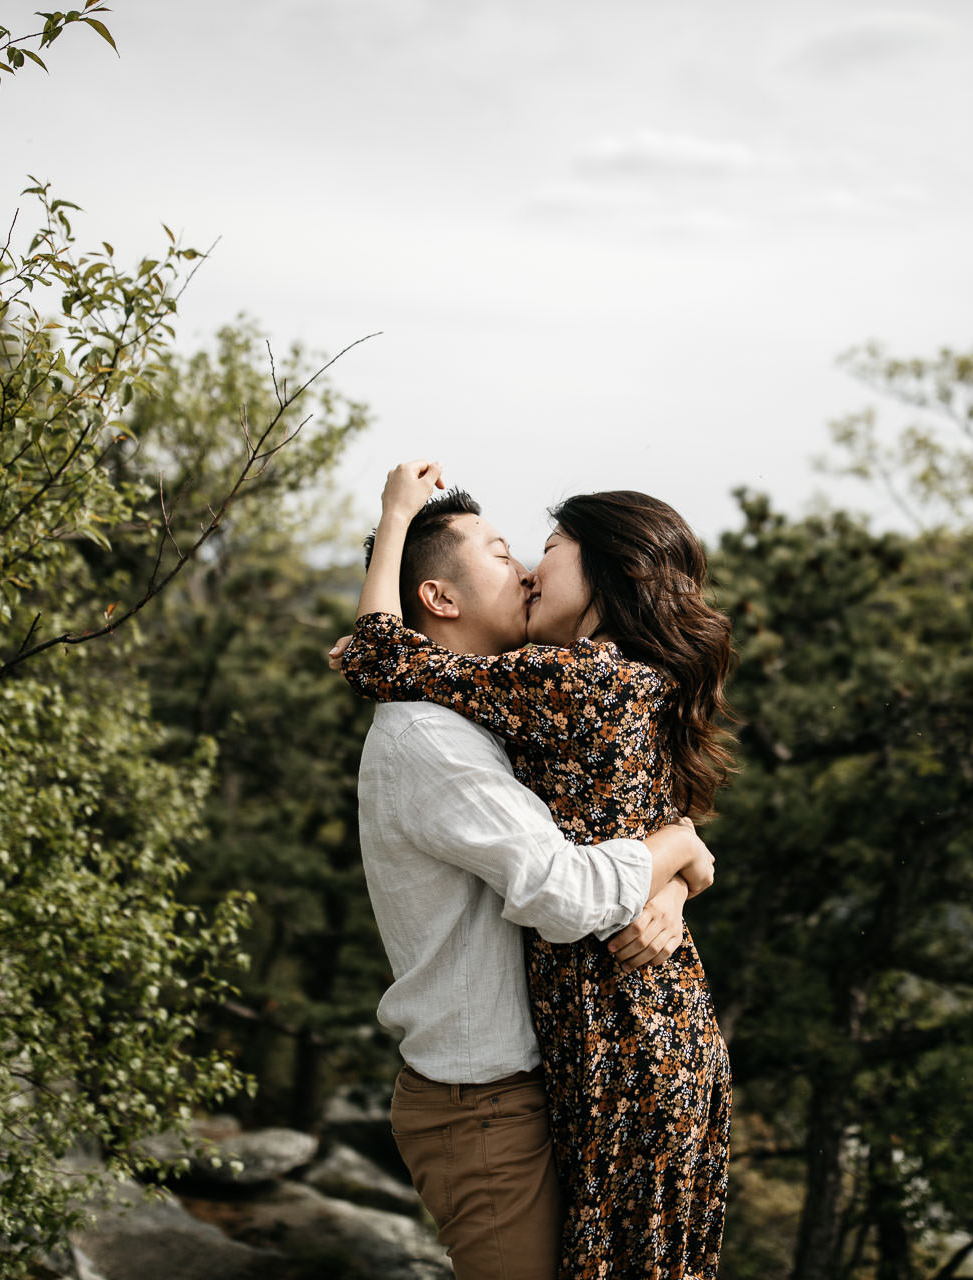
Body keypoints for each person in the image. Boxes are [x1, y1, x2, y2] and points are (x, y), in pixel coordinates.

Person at [340, 460, 735, 1280]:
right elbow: (579, 883)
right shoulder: (450, 731)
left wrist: (676, 864)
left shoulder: (560, 689)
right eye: (506, 553)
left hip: (613, 1046)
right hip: (521, 1086)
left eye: (545, 549)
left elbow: (380, 653)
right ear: (441, 598)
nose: (526, 569)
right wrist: (677, 851)